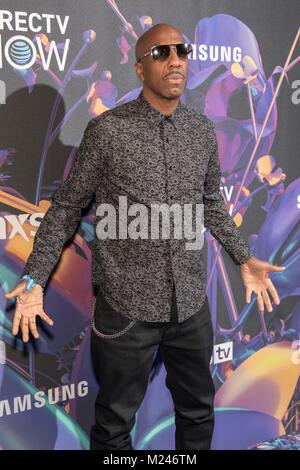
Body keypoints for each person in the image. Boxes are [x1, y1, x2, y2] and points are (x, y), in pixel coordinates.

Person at [4, 23, 286, 450]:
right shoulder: (108, 132)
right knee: (114, 424)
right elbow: (64, 211)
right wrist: (33, 282)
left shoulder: (200, 133)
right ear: (139, 69)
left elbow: (212, 205)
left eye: (181, 51)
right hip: (125, 311)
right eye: (160, 53)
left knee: (195, 417)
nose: (174, 60)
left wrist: (244, 258)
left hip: (189, 310)